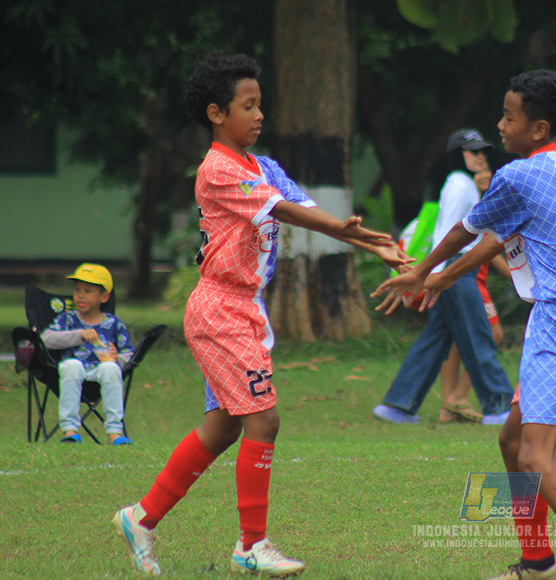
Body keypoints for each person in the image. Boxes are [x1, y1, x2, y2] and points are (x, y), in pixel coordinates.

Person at [112, 52, 410, 577]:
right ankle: (251, 545)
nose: (259, 115)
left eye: (259, 105)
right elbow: (283, 211)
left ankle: (142, 517)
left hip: (246, 309)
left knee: (224, 427)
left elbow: (306, 208)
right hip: (220, 308)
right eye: (247, 106)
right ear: (216, 113)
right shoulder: (217, 169)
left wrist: (369, 242)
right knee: (264, 419)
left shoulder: (262, 166)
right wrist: (344, 231)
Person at [374, 70, 556, 580]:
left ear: (538, 128)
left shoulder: (518, 176)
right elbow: (495, 240)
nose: (499, 126)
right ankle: (537, 562)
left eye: (508, 117)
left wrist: (423, 271)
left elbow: (463, 232)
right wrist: (439, 281)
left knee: (536, 458)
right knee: (511, 443)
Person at [373, 129, 515, 426]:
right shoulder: (460, 185)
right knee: (478, 338)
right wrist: (436, 276)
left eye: (482, 151)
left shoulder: (462, 184)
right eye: (472, 151)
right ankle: (499, 406)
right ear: (456, 155)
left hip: (453, 270)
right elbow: (448, 232)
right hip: (454, 271)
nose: (480, 156)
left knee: (435, 340)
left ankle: (397, 405)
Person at [438, 164, 511, 424]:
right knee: (492, 334)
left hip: (469, 277)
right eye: (478, 171)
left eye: (487, 170)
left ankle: (450, 403)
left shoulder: (483, 203)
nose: (484, 175)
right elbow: (487, 247)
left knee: (455, 336)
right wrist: (514, 275)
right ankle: (457, 396)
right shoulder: (475, 205)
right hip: (469, 279)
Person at [42, 262, 136, 446]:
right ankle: (70, 430)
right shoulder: (67, 319)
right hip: (73, 370)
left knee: (111, 368)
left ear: (104, 296)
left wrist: (117, 359)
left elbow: (129, 354)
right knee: (71, 365)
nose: (80, 296)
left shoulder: (113, 323)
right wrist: (78, 335)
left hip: (99, 371)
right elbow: (45, 339)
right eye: (77, 290)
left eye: (88, 291)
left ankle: (114, 432)